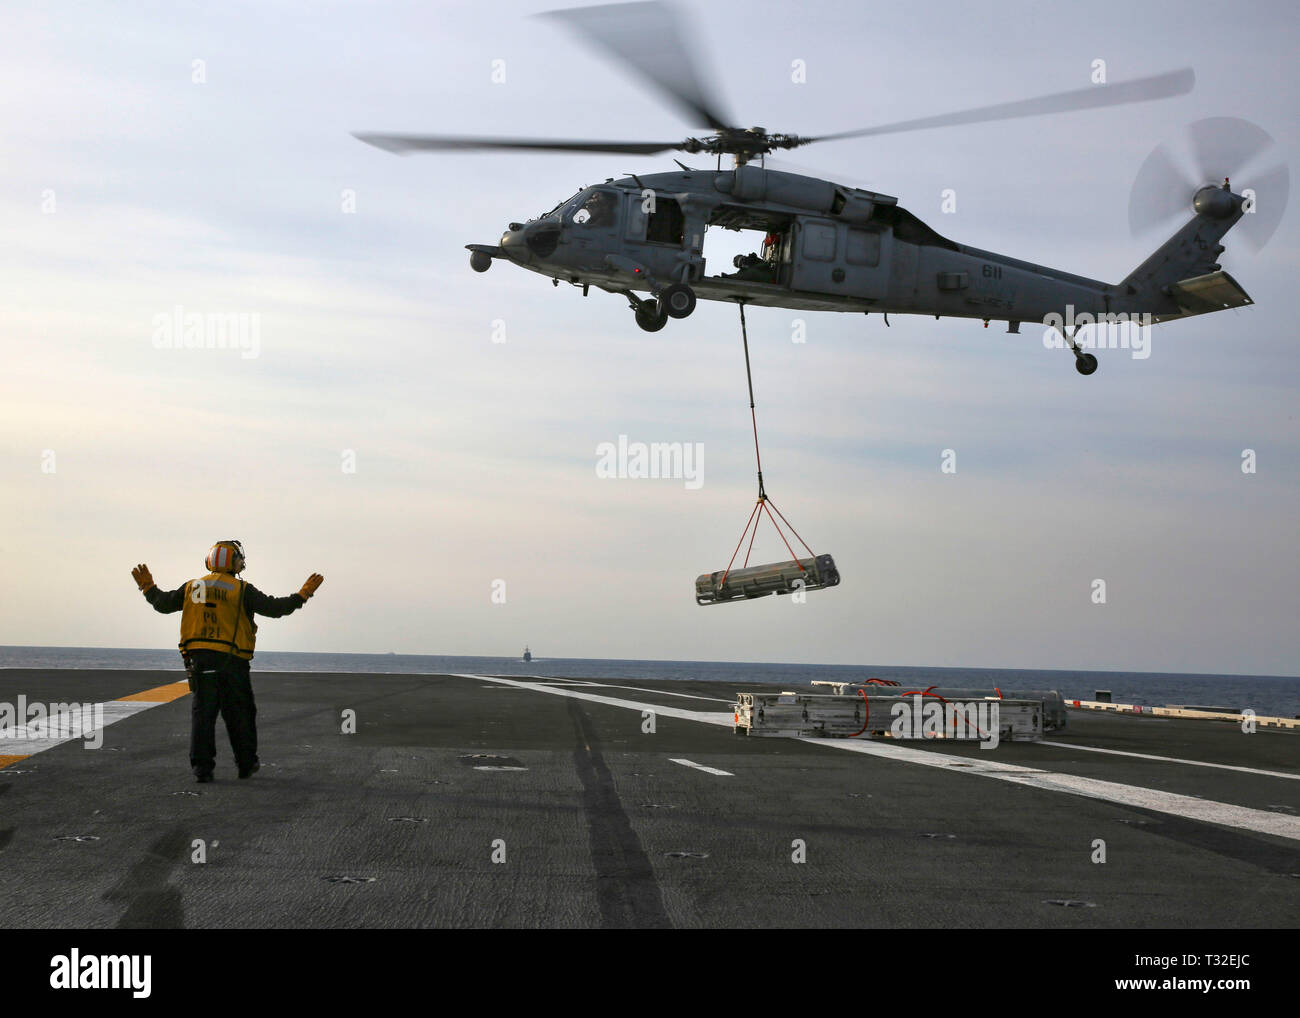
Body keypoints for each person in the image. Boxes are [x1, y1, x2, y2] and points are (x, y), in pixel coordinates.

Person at [131, 541, 323, 782]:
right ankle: (245, 764)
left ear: (209, 561)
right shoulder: (241, 589)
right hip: (232, 662)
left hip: (199, 661)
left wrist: (147, 587)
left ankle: (202, 768)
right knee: (241, 714)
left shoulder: (193, 586)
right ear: (235, 562)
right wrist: (303, 595)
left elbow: (163, 604)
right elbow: (275, 608)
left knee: (203, 713)